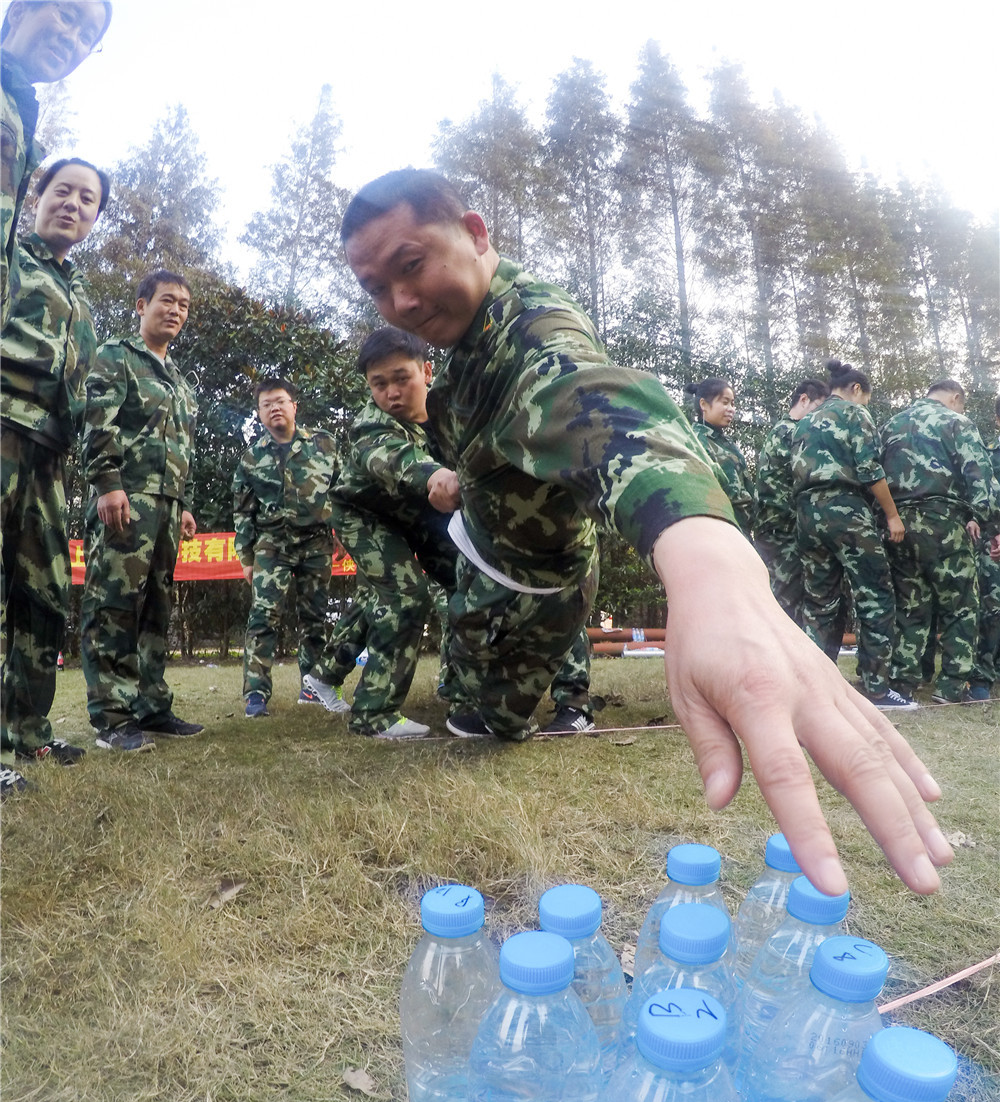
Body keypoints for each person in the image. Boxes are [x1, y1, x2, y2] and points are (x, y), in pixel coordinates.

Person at [340, 169, 952, 900]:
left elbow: (599, 405)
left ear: (475, 233)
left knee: (491, 722)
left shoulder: (533, 327)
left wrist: (710, 562)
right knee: (461, 694)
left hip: (533, 586)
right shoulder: (461, 337)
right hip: (482, 553)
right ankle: (468, 685)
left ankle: (492, 697)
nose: (401, 301)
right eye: (377, 288)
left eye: (412, 265)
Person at [0, 156, 108, 797]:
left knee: (42, 592)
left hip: (47, 456)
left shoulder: (82, 302)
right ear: (35, 196)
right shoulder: (10, 253)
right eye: (61, 190)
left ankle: (26, 731)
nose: (72, 204)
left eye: (87, 199)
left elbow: (85, 393)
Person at [80, 269, 202, 750]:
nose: (175, 310)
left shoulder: (180, 382)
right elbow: (97, 420)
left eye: (184, 305)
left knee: (156, 607)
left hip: (167, 509)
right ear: (141, 305)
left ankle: (151, 707)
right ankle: (112, 717)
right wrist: (108, 483)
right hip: (125, 501)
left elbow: (182, 449)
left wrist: (184, 504)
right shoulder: (117, 356)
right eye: (166, 300)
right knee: (113, 604)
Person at [330, 327, 458, 739]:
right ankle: (374, 715)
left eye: (402, 378)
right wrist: (436, 474)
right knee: (406, 595)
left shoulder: (449, 413)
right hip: (365, 514)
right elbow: (394, 459)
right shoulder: (371, 424)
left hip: (415, 514)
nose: (391, 394)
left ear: (427, 371)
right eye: (378, 384)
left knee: (471, 579)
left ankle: (462, 688)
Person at [789, 357, 916, 710]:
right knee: (875, 594)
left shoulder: (804, 422)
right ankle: (876, 689)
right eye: (866, 399)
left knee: (819, 603)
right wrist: (892, 516)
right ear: (856, 389)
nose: (866, 407)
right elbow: (869, 469)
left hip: (806, 516)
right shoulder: (854, 414)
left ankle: (813, 689)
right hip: (845, 510)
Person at [880, 379, 998, 704]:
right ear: (955, 398)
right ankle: (951, 687)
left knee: (910, 606)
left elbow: (871, 474)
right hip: (944, 523)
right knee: (961, 605)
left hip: (898, 525)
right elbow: (981, 477)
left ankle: (902, 684)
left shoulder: (891, 425)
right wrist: (985, 520)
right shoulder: (957, 422)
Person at [233, 377, 343, 720]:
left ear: (294, 406)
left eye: (280, 401)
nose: (274, 409)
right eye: (266, 405)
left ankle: (312, 687)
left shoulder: (325, 444)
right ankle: (255, 694)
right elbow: (242, 510)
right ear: (259, 414)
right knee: (263, 617)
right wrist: (246, 557)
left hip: (317, 543)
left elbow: (343, 490)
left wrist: (344, 532)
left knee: (314, 618)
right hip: (272, 545)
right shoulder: (251, 458)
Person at [1, 0, 111, 326]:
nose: (71, 38)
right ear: (19, 9)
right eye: (67, 15)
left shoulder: (18, 115)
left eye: (87, 36)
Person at [754, 378, 830, 624]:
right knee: (785, 603)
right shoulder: (792, 431)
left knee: (786, 598)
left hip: (778, 529)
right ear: (804, 400)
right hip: (782, 530)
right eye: (818, 406)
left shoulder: (782, 430)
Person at [685, 376, 754, 538]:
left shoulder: (725, 442)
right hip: (718, 533)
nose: (731, 409)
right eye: (725, 402)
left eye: (732, 403)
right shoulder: (697, 442)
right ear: (704, 405)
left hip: (740, 531)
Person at [970, 395, 1000, 701]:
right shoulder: (987, 456)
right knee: (992, 609)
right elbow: (978, 501)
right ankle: (981, 677)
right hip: (994, 544)